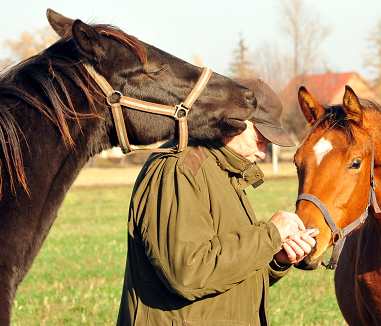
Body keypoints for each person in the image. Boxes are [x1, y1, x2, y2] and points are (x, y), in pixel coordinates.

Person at [116, 78, 318, 326]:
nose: (263, 154)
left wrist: (275, 257)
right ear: (232, 123)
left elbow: (226, 273)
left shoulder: (224, 172)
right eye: (260, 141)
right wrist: (269, 234)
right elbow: (187, 272)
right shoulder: (181, 170)